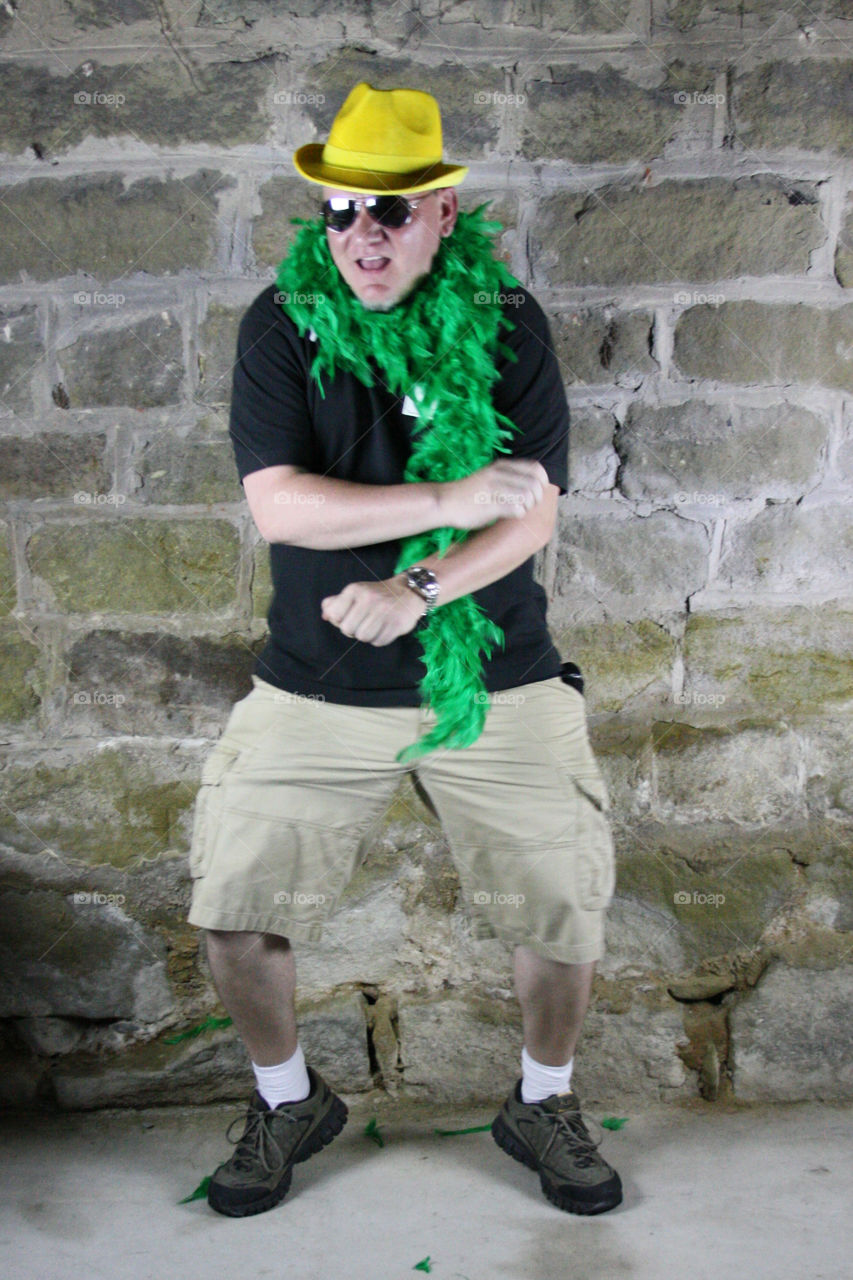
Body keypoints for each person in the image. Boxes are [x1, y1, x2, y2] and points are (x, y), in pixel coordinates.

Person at [186, 81, 621, 1219]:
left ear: (441, 213)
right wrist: (448, 492)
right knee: (233, 903)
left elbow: (531, 513)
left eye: (387, 212)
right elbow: (281, 507)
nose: (360, 237)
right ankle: (288, 1097)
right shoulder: (280, 327)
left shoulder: (511, 324)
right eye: (338, 213)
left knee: (561, 904)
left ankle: (543, 1098)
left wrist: (419, 584)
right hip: (318, 677)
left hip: (498, 671)